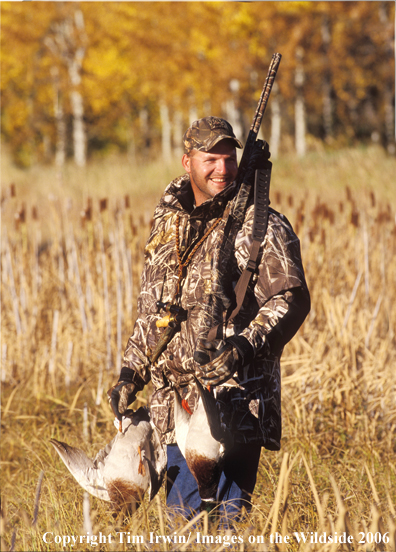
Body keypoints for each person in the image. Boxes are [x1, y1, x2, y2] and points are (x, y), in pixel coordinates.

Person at [108, 116, 310, 522]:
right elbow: (154, 311)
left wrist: (242, 347)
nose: (222, 168)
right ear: (187, 162)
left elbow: (291, 300)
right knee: (180, 523)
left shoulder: (262, 224)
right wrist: (130, 373)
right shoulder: (168, 225)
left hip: (234, 403)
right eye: (210, 158)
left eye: (229, 157)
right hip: (173, 409)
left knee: (224, 526)